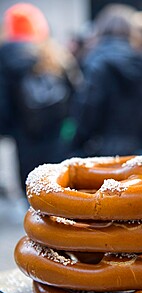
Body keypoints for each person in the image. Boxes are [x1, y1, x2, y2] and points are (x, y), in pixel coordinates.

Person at [70, 4, 142, 158]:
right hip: (136, 150)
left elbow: (88, 109)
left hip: (98, 151)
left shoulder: (96, 63)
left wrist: (76, 143)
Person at [0, 3, 82, 193]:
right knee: (58, 192)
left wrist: (8, 130)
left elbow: (3, 103)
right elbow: (78, 95)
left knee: (31, 192)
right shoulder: (57, 53)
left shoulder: (5, 55)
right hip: (58, 139)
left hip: (25, 138)